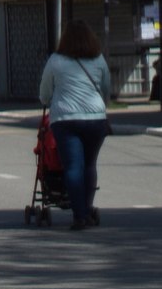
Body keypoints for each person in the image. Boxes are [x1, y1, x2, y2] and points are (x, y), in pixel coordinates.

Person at [38, 20, 111, 230]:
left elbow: (45, 91)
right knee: (89, 165)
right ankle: (86, 209)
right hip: (96, 119)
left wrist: (46, 100)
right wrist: (100, 107)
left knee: (72, 166)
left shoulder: (56, 60)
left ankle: (79, 216)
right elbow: (106, 88)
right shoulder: (98, 59)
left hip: (66, 120)